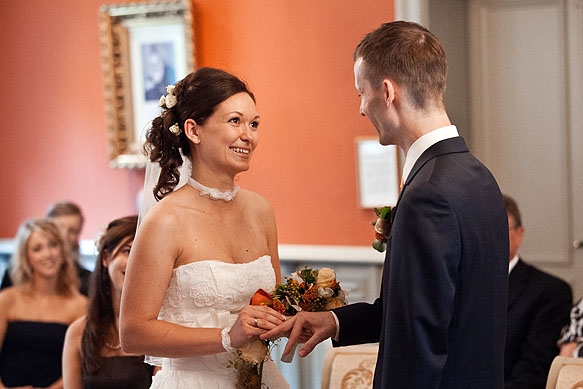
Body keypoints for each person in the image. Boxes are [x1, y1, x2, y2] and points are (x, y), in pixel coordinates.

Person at [262, 21, 509, 388]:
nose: (361, 108)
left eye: (362, 93)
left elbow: (419, 343)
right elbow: (427, 309)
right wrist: (336, 321)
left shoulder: (429, 193)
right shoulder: (478, 175)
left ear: (388, 91)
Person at [119, 67, 289, 388]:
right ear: (194, 131)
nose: (248, 135)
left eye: (254, 124)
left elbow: (273, 302)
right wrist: (227, 336)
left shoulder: (261, 210)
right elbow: (133, 333)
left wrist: (302, 310)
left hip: (260, 380)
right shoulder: (166, 221)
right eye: (235, 121)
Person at [62, 215, 155, 388]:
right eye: (127, 251)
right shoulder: (78, 332)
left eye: (143, 252)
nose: (136, 262)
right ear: (106, 258)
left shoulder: (158, 330)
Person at [0, 218, 87, 388]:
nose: (48, 254)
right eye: (37, 249)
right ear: (26, 256)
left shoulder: (80, 305)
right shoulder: (7, 300)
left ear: (62, 251)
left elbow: (82, 365)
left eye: (53, 245)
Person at [503, 194, 572, 388]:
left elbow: (534, 371)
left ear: (519, 234)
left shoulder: (550, 292)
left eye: (499, 230)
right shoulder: (455, 284)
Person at [1, 201, 92, 296]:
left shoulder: (88, 281)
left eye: (73, 231)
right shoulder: (12, 276)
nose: (64, 236)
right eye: (58, 228)